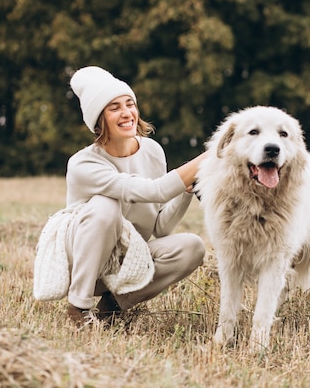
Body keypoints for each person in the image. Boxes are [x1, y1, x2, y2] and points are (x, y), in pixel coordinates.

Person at [46, 66, 206, 326]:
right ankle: (79, 306)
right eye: (114, 108)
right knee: (105, 206)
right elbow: (155, 190)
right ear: (99, 119)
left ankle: (113, 307)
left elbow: (161, 227)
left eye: (129, 104)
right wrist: (211, 155)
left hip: (129, 261)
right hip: (86, 267)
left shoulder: (153, 151)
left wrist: (185, 192)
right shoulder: (84, 164)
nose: (126, 113)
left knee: (192, 247)